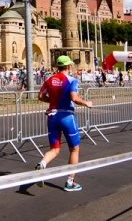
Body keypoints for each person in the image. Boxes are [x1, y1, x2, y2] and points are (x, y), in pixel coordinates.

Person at [34, 55, 93, 192]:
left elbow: (41, 96)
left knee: (54, 149)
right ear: (68, 66)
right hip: (66, 116)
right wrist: (86, 103)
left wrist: (54, 102)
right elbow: (74, 97)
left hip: (52, 116)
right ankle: (70, 182)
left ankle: (42, 164)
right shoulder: (71, 80)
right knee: (74, 149)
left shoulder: (49, 79)